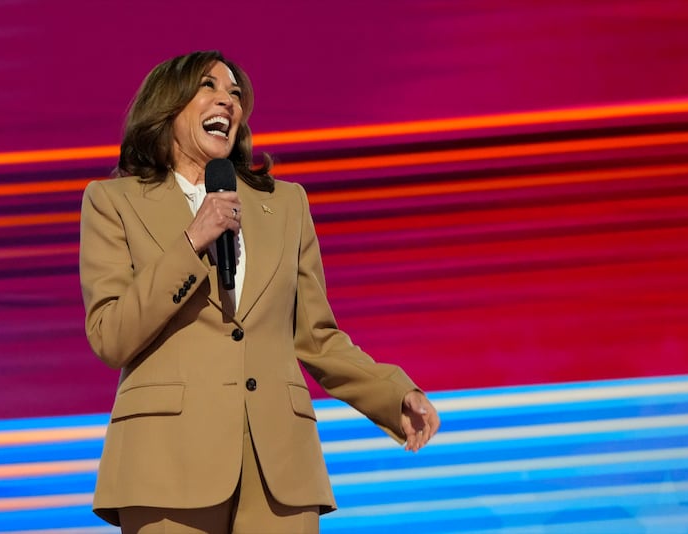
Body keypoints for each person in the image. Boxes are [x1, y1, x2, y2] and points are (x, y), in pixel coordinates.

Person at [79, 50, 440, 534]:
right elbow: (111, 335)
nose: (227, 102)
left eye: (235, 94)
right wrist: (192, 243)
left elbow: (316, 337)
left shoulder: (286, 204)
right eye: (209, 87)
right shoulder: (112, 202)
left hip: (279, 470)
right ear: (167, 106)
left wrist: (392, 394)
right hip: (167, 462)